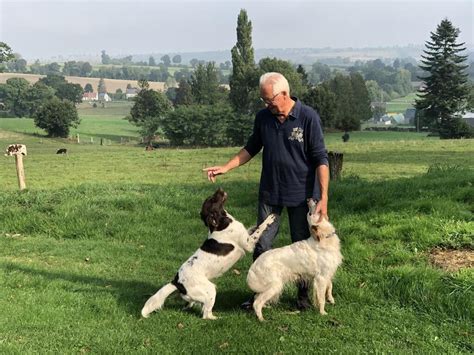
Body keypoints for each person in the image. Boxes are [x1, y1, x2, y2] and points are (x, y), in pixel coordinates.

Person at [203, 72, 329, 310]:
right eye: (264, 100)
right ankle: (260, 296)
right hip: (270, 192)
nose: (266, 105)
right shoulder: (263, 118)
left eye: (269, 100)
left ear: (284, 94)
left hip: (302, 196)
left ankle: (302, 299)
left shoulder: (308, 117)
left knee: (302, 248)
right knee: (261, 245)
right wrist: (226, 167)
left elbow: (321, 159)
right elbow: (251, 148)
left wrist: (323, 197)